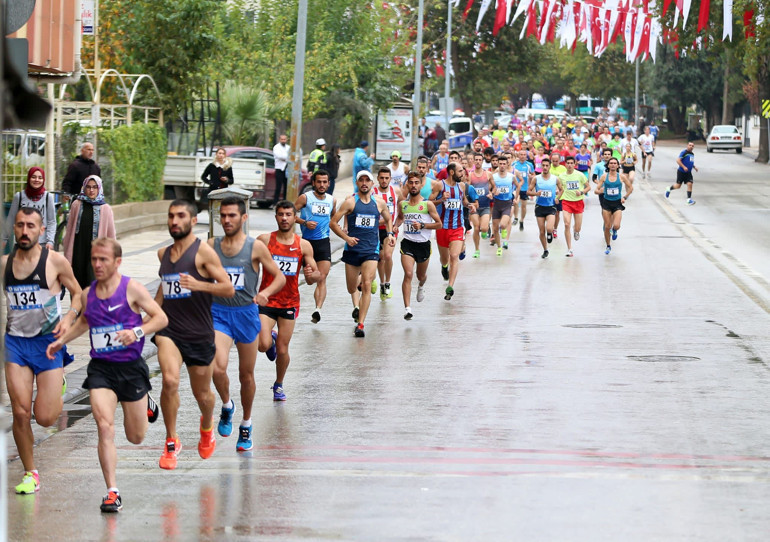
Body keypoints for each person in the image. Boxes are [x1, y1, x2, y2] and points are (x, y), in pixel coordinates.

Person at [46, 238, 167, 512]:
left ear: (117, 262)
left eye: (103, 260)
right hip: (101, 369)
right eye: (94, 260)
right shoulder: (89, 293)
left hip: (131, 368)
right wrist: (61, 341)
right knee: (104, 425)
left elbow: (160, 318)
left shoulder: (132, 289)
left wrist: (136, 332)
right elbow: (86, 322)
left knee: (136, 436)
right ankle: (112, 491)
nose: (97, 265)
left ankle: (145, 400)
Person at [3, 208, 83, 495]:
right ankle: (30, 472)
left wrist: (69, 316)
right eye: (20, 225)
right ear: (14, 229)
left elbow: (79, 294)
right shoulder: (4, 264)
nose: (25, 231)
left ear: (40, 230)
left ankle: (57, 384)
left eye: (31, 226)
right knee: (21, 412)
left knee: (46, 418)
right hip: (16, 345)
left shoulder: (55, 262)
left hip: (48, 344)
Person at [154, 200, 235, 470]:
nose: (174, 221)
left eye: (180, 216)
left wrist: (199, 284)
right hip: (170, 329)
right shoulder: (163, 254)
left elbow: (227, 288)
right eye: (171, 216)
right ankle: (171, 440)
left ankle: (207, 425)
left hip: (199, 333)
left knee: (203, 395)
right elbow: (163, 291)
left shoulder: (203, 253)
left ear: (192, 221)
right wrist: (147, 317)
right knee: (169, 380)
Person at [210, 197, 285, 450]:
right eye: (223, 215)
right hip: (219, 313)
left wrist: (266, 293)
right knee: (217, 368)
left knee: (246, 375)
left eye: (232, 215)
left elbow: (279, 277)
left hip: (246, 314)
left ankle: (246, 423)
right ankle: (227, 404)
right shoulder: (212, 245)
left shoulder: (255, 248)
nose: (226, 220)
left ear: (243, 218)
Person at [257, 201, 320, 399]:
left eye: (288, 215)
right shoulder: (264, 240)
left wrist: (311, 274)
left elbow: (314, 277)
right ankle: (271, 338)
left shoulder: (303, 245)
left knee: (283, 349)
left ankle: (278, 384)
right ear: (276, 217)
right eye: (281, 214)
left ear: (295, 218)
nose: (284, 218)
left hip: (289, 302)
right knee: (262, 345)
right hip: (266, 300)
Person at [330, 170, 394, 337]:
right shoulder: (350, 202)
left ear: (372, 184)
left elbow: (388, 218)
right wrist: (347, 237)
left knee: (366, 284)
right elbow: (333, 223)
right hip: (352, 250)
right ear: (357, 183)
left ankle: (361, 324)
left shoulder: (379, 203)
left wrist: (390, 234)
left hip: (371, 249)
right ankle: (358, 285)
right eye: (361, 180)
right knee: (351, 287)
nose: (364, 183)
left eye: (367, 180)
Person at [395, 172, 442, 319]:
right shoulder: (403, 204)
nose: (413, 185)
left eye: (416, 183)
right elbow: (400, 219)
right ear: (407, 185)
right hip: (407, 244)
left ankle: (421, 286)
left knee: (420, 275)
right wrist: (394, 228)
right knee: (408, 274)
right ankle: (408, 309)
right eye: (411, 183)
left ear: (421, 185)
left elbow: (439, 224)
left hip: (423, 245)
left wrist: (422, 225)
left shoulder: (427, 204)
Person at [295, 170, 336, 323]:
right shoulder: (305, 198)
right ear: (313, 183)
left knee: (322, 277)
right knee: (311, 279)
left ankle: (318, 309)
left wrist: (343, 228)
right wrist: (305, 223)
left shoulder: (332, 200)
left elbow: (333, 218)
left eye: (325, 182)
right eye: (319, 182)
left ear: (329, 183)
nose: (322, 185)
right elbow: (290, 214)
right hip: (306, 243)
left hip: (324, 242)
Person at [62, 175, 116, 289]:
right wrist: (67, 252)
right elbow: (70, 230)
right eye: (88, 187)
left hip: (96, 254)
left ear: (99, 188)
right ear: (84, 188)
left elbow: (111, 236)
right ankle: (78, 307)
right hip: (78, 252)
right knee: (76, 286)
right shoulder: (77, 205)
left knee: (93, 285)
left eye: (95, 187)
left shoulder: (105, 208)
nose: (91, 190)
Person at [429, 163, 474, 300]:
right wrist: (441, 199)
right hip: (442, 227)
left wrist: (469, 206)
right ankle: (444, 266)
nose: (463, 173)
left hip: (458, 227)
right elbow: (429, 202)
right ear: (452, 172)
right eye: (460, 171)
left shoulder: (462, 186)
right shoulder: (439, 185)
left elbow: (464, 201)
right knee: (445, 258)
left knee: (454, 256)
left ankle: (450, 286)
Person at [3, 167, 56, 250]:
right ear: (29, 178)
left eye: (40, 177)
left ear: (43, 180)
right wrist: (4, 238)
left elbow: (51, 221)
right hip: (22, 242)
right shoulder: (19, 196)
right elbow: (11, 219)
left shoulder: (48, 197)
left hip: (42, 244)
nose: (37, 180)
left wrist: (50, 241)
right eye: (33, 177)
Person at [372, 167, 401, 300]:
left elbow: (403, 211)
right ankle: (381, 282)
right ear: (378, 178)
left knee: (387, 256)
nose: (384, 180)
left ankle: (387, 283)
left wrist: (396, 224)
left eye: (386, 178)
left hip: (390, 230)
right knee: (379, 257)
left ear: (390, 179)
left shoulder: (396, 192)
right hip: (375, 229)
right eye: (381, 178)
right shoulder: (373, 192)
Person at [527, 158, 563, 259]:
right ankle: (545, 249)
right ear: (541, 166)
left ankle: (550, 233)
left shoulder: (555, 179)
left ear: (550, 166)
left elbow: (561, 190)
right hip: (539, 207)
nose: (545, 167)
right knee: (542, 231)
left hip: (551, 206)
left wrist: (557, 198)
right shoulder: (536, 178)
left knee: (549, 228)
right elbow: (528, 192)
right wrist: (535, 193)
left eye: (547, 165)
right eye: (543, 165)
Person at [596, 157, 633, 254]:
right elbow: (597, 189)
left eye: (614, 163)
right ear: (608, 165)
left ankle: (615, 230)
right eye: (611, 163)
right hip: (606, 203)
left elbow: (630, 188)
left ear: (617, 165)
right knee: (607, 226)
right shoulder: (604, 176)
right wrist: (600, 190)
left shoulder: (622, 177)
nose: (612, 165)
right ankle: (608, 246)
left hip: (617, 203)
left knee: (616, 225)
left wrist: (624, 197)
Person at [557, 156, 590, 257]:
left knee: (578, 227)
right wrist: (557, 197)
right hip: (566, 201)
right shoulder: (561, 176)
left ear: (575, 164)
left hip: (578, 202)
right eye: (568, 163)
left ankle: (576, 231)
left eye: (572, 163)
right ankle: (569, 249)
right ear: (565, 164)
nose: (570, 165)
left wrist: (581, 192)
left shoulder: (579, 175)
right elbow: (560, 189)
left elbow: (588, 187)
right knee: (567, 224)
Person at [467, 153, 494, 258]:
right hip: (474, 207)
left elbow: (494, 187)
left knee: (483, 228)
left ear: (482, 161)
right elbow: (468, 189)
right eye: (476, 159)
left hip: (486, 206)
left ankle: (485, 231)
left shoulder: (488, 174)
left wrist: (491, 193)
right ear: (473, 161)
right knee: (476, 228)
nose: (478, 161)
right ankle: (477, 249)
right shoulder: (470, 175)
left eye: (479, 159)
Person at [490, 155, 516, 256]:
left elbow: (517, 185)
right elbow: (490, 188)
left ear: (507, 164)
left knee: (503, 225)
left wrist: (516, 196)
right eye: (500, 163)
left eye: (503, 164)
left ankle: (504, 229)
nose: (501, 165)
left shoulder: (511, 176)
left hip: (507, 204)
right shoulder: (493, 176)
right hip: (497, 204)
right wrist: (492, 193)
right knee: (495, 228)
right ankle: (499, 247)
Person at [666, 141, 698, 205]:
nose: (691, 147)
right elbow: (678, 160)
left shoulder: (692, 154)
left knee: (690, 184)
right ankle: (669, 189)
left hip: (688, 172)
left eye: (692, 146)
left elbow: (690, 162)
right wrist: (684, 167)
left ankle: (689, 200)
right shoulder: (684, 152)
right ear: (687, 146)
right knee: (678, 186)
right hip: (681, 172)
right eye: (690, 145)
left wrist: (694, 167)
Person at [512, 150, 535, 232]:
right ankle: (516, 217)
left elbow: (534, 175)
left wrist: (531, 176)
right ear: (518, 155)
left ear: (526, 156)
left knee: (524, 206)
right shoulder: (514, 164)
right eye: (521, 154)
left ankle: (522, 220)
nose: (522, 156)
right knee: (515, 203)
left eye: (524, 155)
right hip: (515, 187)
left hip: (525, 188)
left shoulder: (529, 165)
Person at [272, 134, 289, 204]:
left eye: (284, 139)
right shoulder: (276, 147)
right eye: (282, 139)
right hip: (279, 169)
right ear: (279, 140)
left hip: (287, 169)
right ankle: (275, 202)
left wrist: (287, 158)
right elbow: (280, 156)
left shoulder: (288, 147)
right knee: (278, 187)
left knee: (286, 187)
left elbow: (291, 156)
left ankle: (285, 201)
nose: (283, 141)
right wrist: (288, 158)